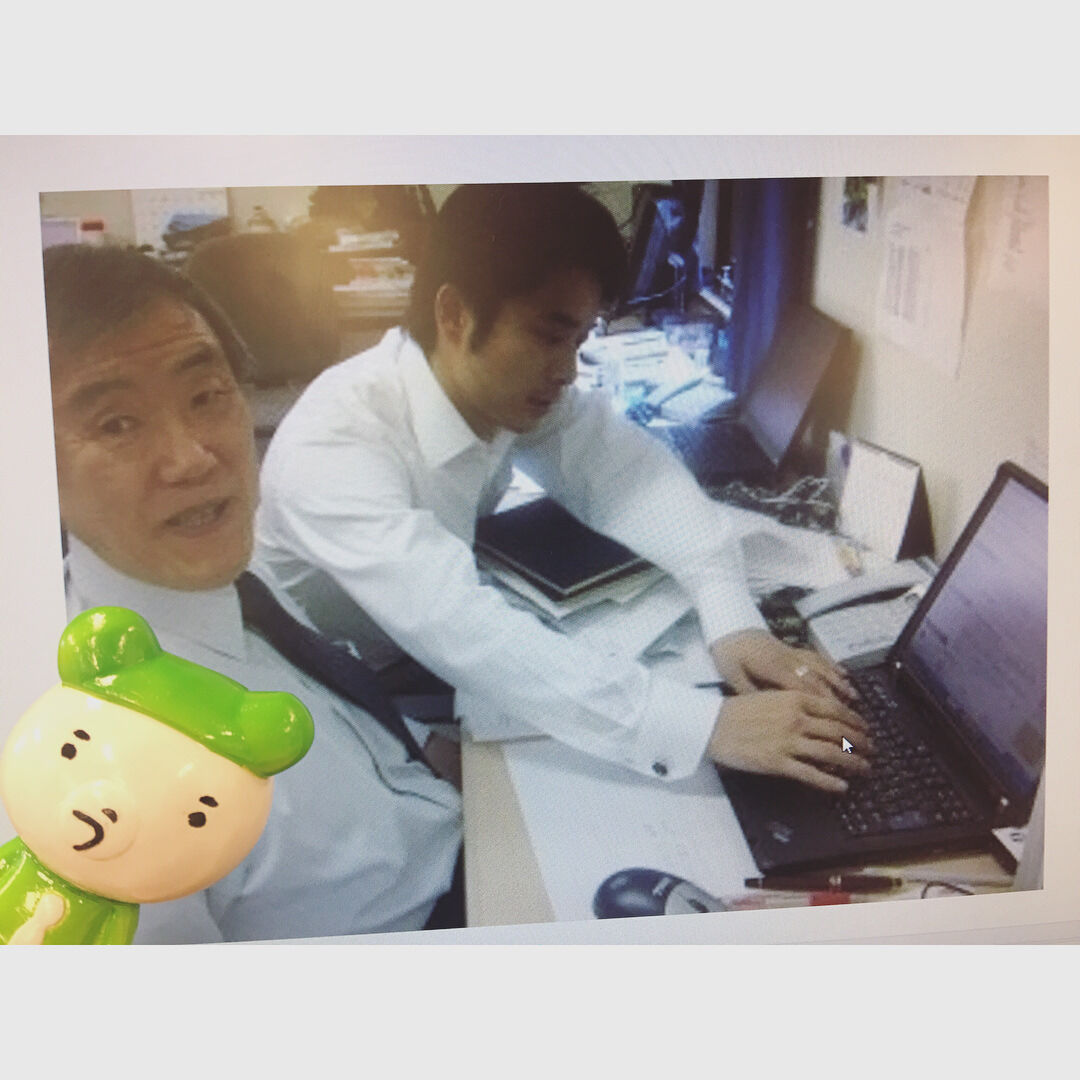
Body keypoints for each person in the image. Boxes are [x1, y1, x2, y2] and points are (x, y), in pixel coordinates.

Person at [255, 183, 871, 792]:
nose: (568, 370)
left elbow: (633, 478)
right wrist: (707, 728)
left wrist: (733, 618)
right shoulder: (335, 445)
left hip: (429, 658)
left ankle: (854, 748)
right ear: (454, 314)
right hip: (336, 697)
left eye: (580, 340)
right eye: (550, 336)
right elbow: (454, 620)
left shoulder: (496, 392)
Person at [42, 244, 462, 943]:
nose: (192, 457)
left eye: (207, 396)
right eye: (117, 424)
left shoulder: (218, 575)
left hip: (459, 833)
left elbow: (341, 716)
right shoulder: (103, 779)